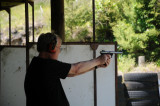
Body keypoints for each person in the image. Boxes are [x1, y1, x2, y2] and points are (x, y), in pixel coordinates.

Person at [24, 32, 111, 106]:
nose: (59, 51)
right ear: (52, 48)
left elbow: (72, 73)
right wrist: (98, 60)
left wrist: (97, 66)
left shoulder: (37, 63)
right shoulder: (47, 65)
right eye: (59, 47)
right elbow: (76, 69)